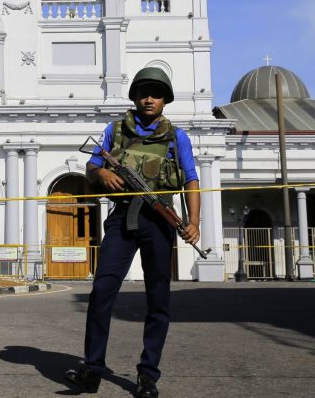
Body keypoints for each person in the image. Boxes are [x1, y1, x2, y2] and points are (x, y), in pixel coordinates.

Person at [65, 67, 201, 397]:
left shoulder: (175, 136)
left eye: (155, 93)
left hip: (159, 222)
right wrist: (102, 176)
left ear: (165, 99)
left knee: (158, 298)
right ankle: (92, 368)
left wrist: (193, 222)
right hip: (123, 219)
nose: (149, 98)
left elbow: (191, 180)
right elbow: (92, 166)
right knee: (102, 292)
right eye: (143, 92)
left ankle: (148, 374)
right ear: (135, 97)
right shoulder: (115, 130)